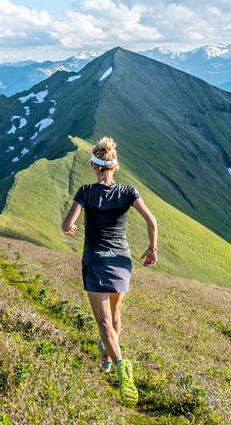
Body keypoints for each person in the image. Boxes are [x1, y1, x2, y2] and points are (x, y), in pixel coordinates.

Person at [61, 137, 158, 407]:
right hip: (122, 262)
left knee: (103, 322)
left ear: (94, 164)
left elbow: (67, 222)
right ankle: (106, 357)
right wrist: (152, 249)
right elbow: (151, 220)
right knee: (115, 318)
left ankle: (119, 364)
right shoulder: (128, 191)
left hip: (96, 261)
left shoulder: (85, 191)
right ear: (115, 165)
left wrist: (68, 228)